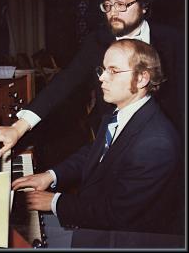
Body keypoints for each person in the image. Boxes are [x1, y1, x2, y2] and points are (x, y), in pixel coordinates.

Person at [0, 0, 184, 158]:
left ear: (144, 5)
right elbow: (64, 82)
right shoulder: (97, 42)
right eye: (108, 6)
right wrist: (19, 127)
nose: (113, 13)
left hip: (165, 138)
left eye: (121, 4)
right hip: (111, 137)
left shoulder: (173, 41)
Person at [11, 39, 183, 248]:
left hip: (122, 239)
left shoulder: (156, 143)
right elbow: (93, 153)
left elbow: (117, 214)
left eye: (113, 70)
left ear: (142, 78)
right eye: (103, 69)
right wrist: (51, 175)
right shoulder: (121, 111)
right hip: (95, 215)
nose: (102, 78)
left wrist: (55, 202)